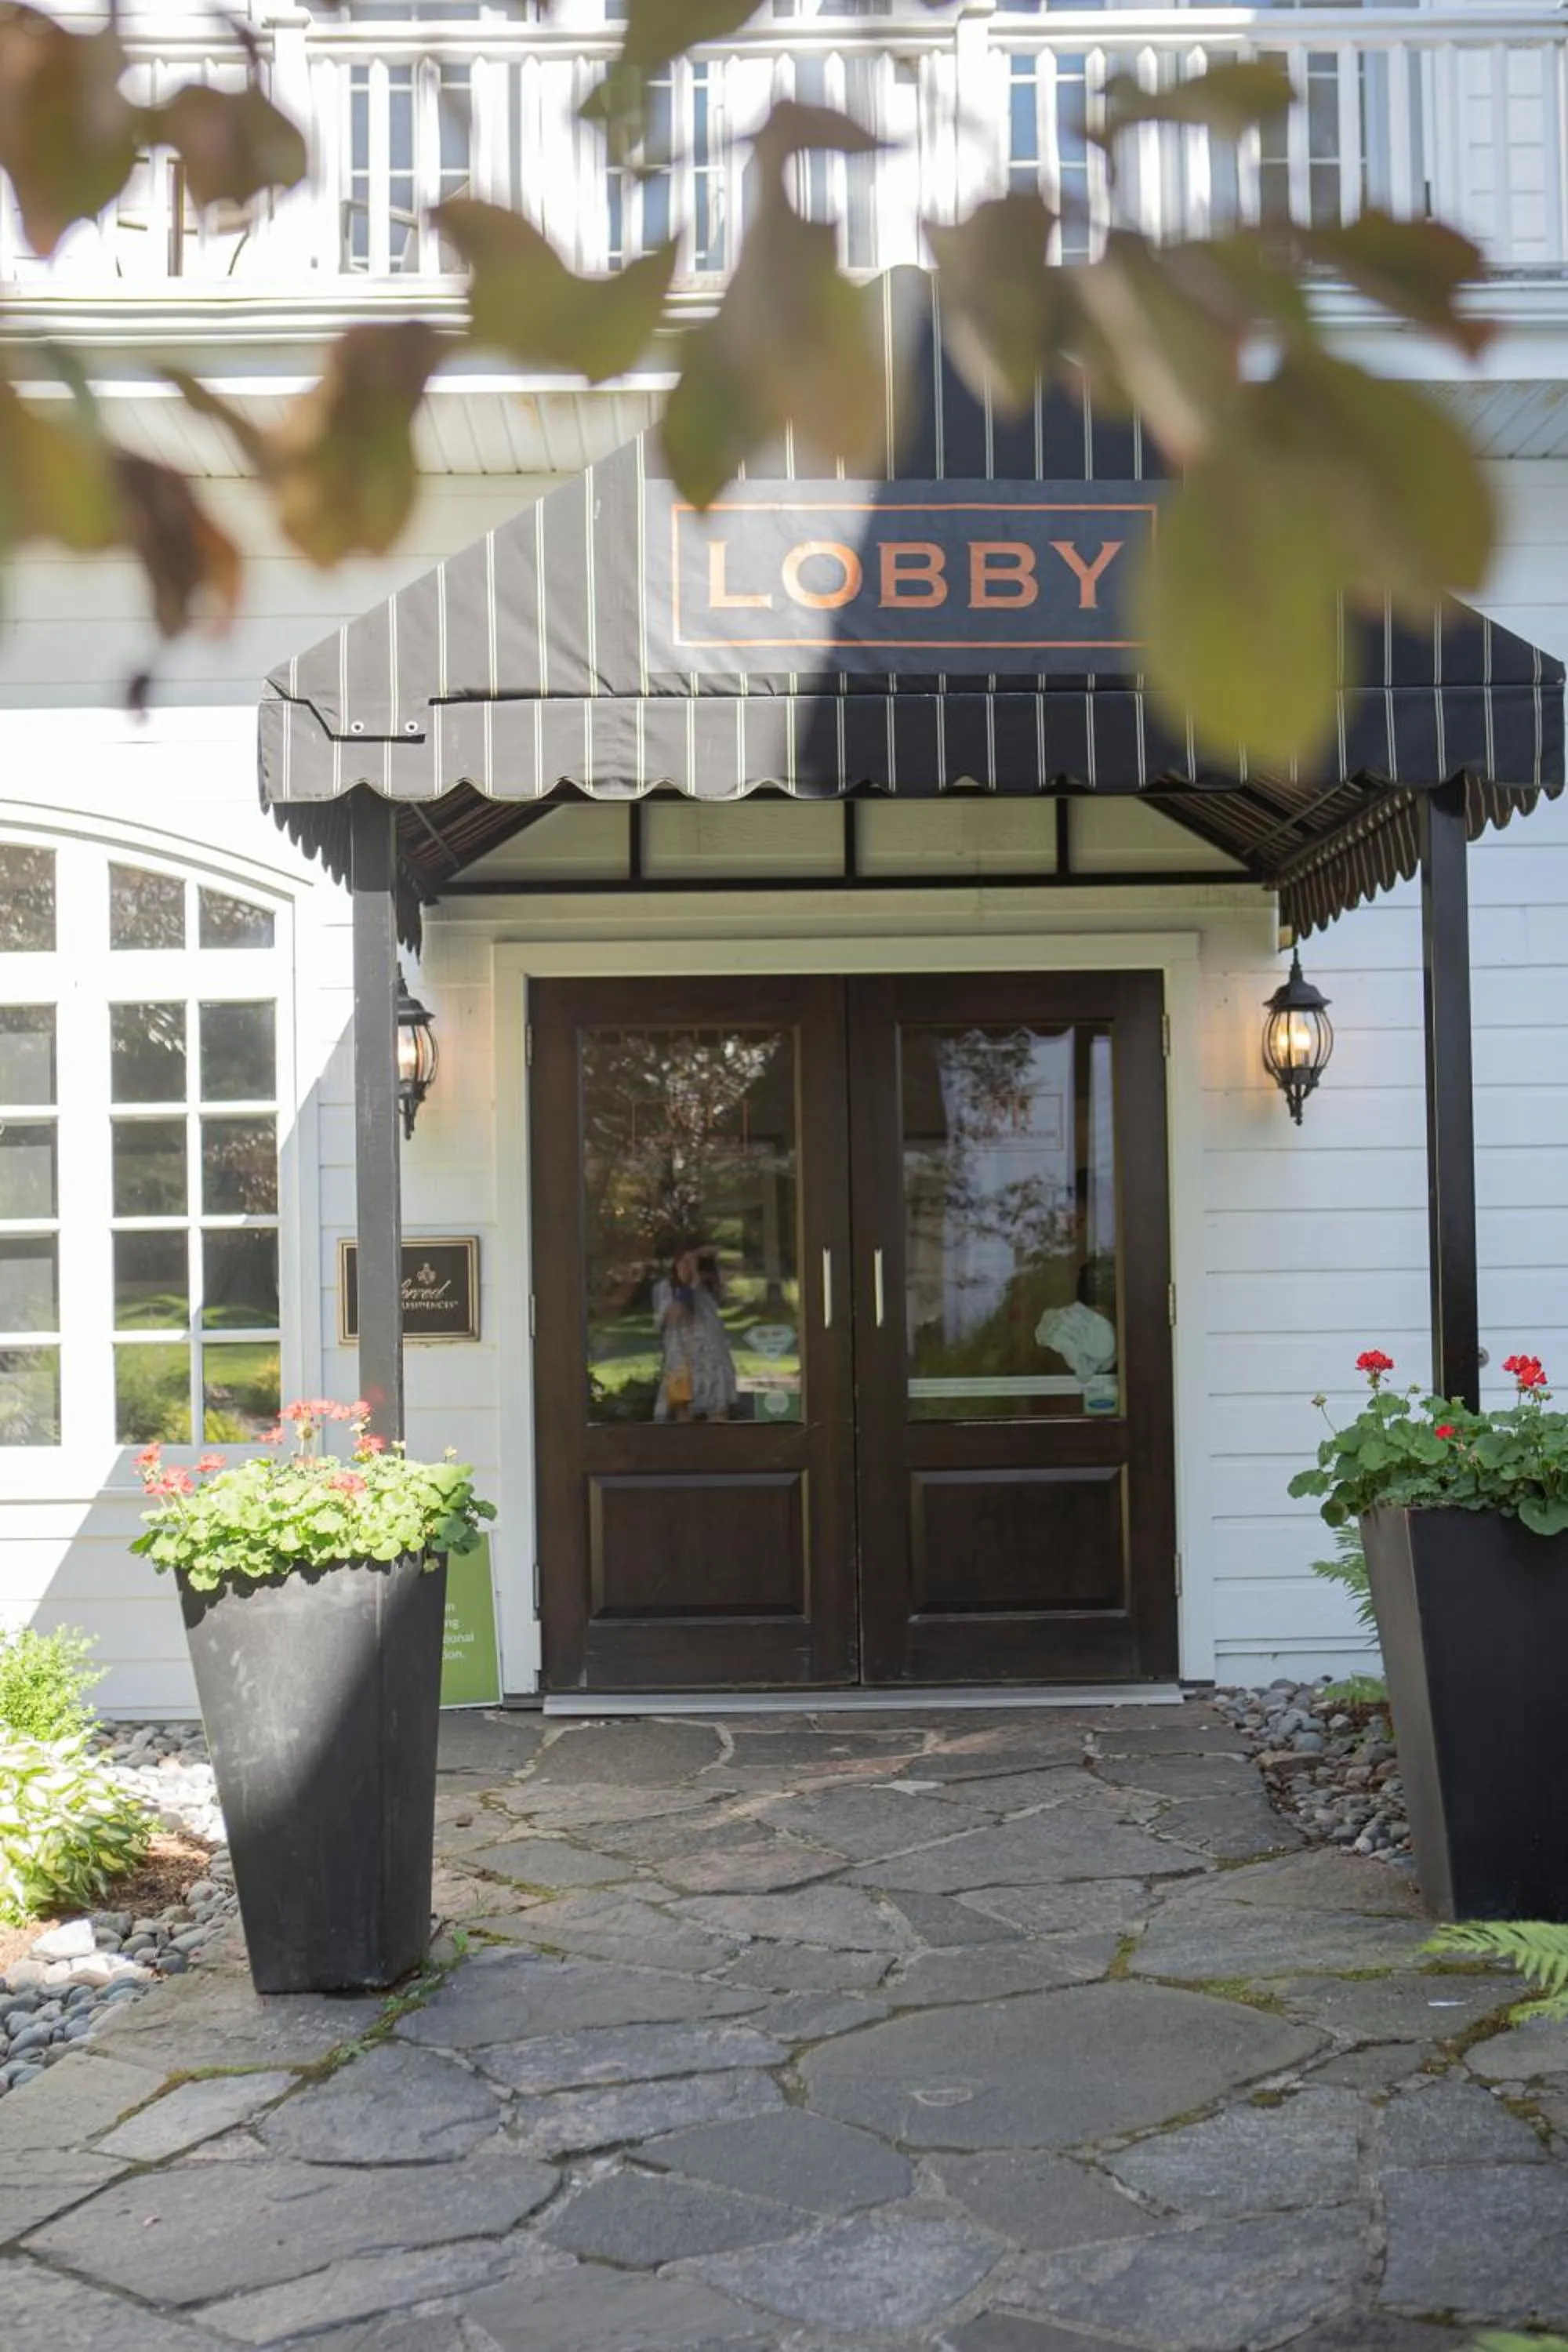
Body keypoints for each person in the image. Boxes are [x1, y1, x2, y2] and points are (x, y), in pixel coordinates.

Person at [653, 1244, 739, 1422]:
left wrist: (702, 1257)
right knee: (684, 1415)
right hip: (681, 1362)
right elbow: (674, 1316)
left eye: (692, 1263)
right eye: (684, 1262)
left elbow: (728, 1258)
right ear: (675, 1264)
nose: (688, 1267)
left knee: (718, 1412)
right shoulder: (666, 1289)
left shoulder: (706, 1290)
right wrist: (689, 1286)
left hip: (710, 1360)